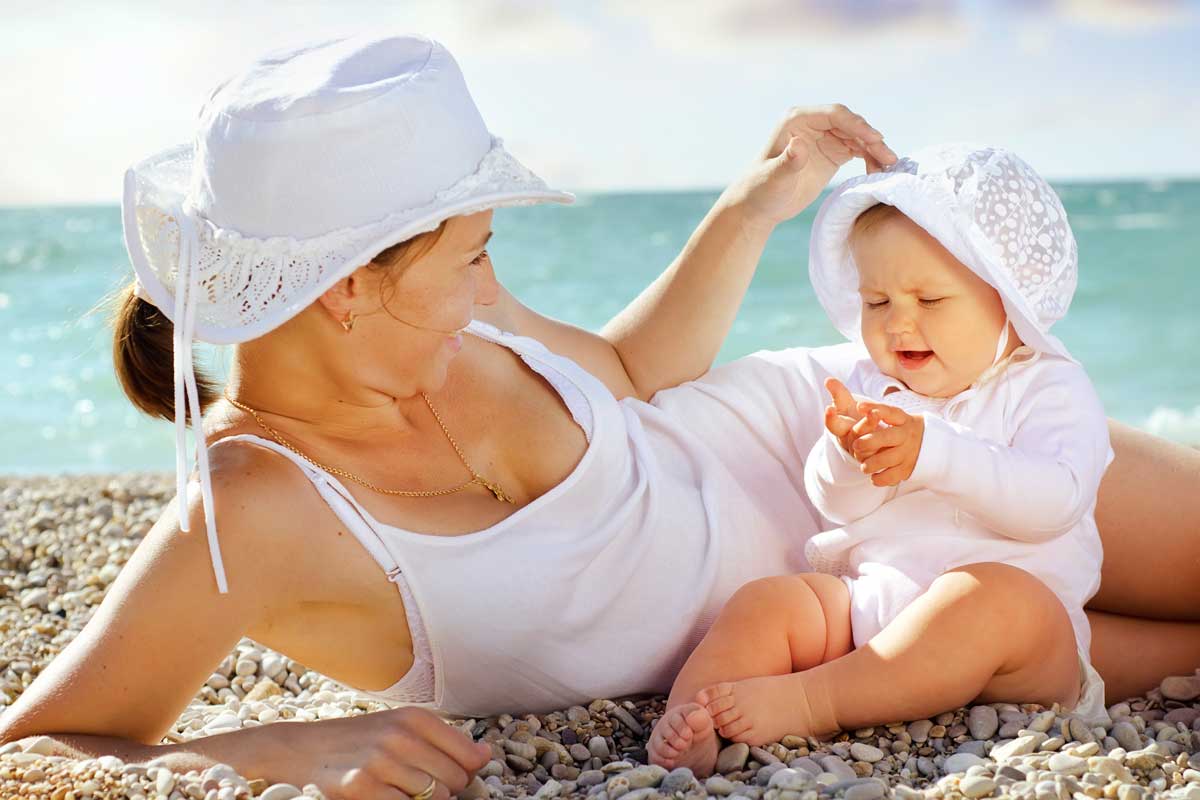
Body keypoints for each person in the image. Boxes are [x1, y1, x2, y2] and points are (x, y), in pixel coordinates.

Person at [1, 32, 1198, 800]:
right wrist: (266, 751)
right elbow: (33, 751)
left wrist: (750, 205)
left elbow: (632, 372)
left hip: (842, 430)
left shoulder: (458, 312)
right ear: (350, 283)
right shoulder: (257, 508)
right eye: (473, 248)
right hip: (827, 629)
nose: (488, 280)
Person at [646, 144, 1113, 776]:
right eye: (877, 302)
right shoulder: (880, 388)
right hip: (878, 612)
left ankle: (815, 699)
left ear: (1008, 298)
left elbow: (1057, 501)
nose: (898, 325)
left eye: (930, 300)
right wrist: (843, 456)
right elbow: (838, 506)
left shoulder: (1049, 386)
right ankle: (695, 718)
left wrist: (938, 454)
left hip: (1016, 655)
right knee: (769, 603)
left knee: (990, 597)